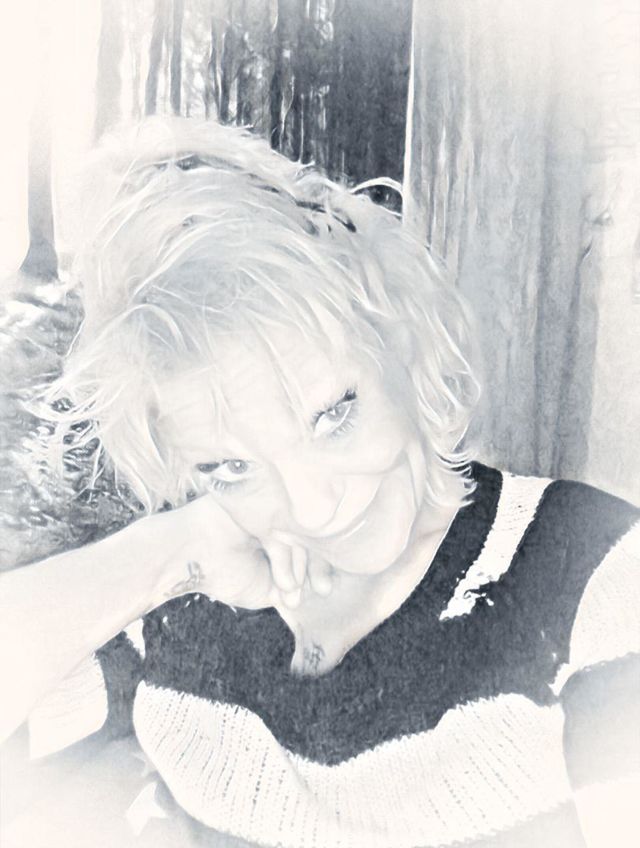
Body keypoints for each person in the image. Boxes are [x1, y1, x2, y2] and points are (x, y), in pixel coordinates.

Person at [1, 118, 638, 848]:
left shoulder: (591, 575)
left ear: (399, 334)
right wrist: (169, 553)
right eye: (231, 466)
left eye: (333, 415)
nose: (311, 507)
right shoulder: (188, 614)